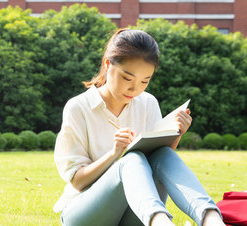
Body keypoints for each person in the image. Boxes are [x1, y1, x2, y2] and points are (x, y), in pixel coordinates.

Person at [54, 28, 225, 226]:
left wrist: (175, 134)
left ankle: (210, 219)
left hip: (136, 212)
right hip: (86, 214)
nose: (135, 89)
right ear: (108, 64)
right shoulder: (79, 107)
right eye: (127, 78)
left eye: (145, 81)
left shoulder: (148, 103)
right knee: (131, 159)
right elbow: (77, 181)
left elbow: (158, 163)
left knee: (163, 154)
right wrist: (114, 154)